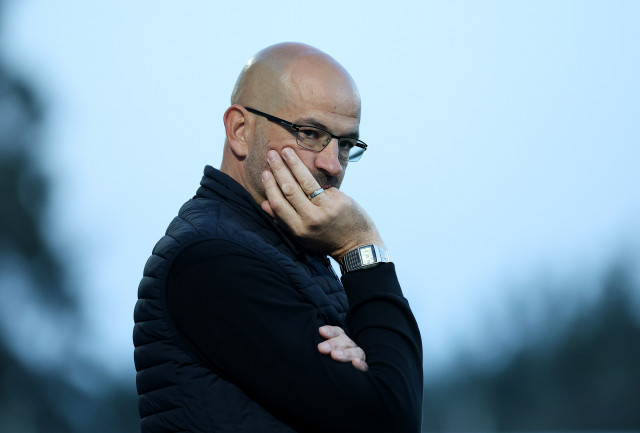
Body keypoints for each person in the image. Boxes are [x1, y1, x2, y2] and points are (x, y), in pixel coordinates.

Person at [133, 42, 423, 433]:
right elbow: (392, 418)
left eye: (345, 145)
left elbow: (382, 396)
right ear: (240, 130)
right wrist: (361, 247)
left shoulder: (293, 249)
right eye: (310, 133)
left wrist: (366, 363)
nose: (332, 165)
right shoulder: (212, 259)